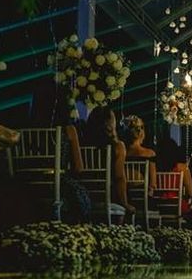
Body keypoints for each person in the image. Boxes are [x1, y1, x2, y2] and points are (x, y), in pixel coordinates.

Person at [34, 91, 90, 223]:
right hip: (57, 184)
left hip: (30, 182)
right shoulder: (69, 130)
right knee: (81, 197)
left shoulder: (28, 130)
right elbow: (79, 167)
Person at [83, 107, 135, 222]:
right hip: (109, 195)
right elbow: (119, 177)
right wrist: (125, 203)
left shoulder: (83, 144)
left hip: (86, 193)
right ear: (110, 123)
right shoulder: (117, 147)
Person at [119, 115, 158, 197]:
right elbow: (153, 183)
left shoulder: (121, 152)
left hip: (122, 193)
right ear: (142, 133)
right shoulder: (150, 153)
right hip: (142, 194)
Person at [155, 134, 192, 213]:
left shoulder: (155, 168)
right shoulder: (182, 168)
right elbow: (190, 193)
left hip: (158, 205)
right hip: (177, 205)